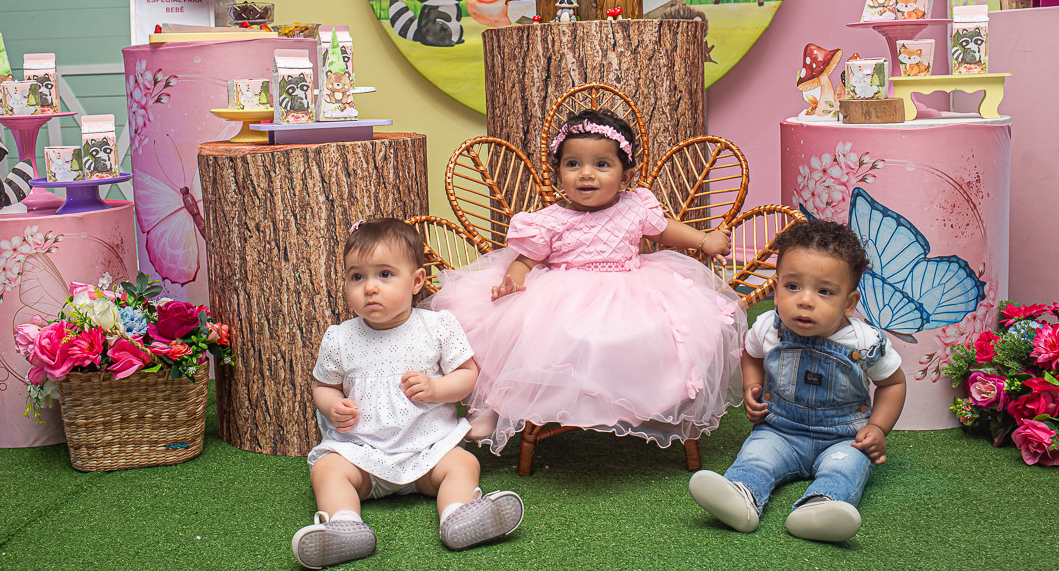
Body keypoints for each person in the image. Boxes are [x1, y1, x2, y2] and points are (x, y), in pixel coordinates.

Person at [425, 109, 747, 453]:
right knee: (510, 330)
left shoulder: (635, 207)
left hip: (632, 289)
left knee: (661, 331)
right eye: (573, 164)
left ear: (626, 176)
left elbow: (665, 230)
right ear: (558, 174)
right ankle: (496, 403)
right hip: (562, 296)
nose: (586, 174)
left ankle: (655, 401)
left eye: (602, 165)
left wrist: (704, 240)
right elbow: (525, 261)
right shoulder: (548, 221)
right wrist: (512, 281)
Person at [292, 219, 524, 569]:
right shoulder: (340, 338)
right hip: (363, 455)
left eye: (385, 274)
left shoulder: (437, 326)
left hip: (428, 450)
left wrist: (436, 388)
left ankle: (458, 515)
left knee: (463, 463)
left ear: (416, 281)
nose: (370, 287)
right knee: (327, 469)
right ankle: (344, 525)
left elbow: (467, 375)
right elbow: (323, 385)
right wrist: (333, 405)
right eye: (357, 277)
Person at [688, 219, 907, 543]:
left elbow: (893, 383)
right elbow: (751, 354)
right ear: (776, 289)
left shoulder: (863, 341)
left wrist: (877, 428)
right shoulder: (769, 327)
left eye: (824, 291)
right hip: (780, 431)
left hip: (843, 437)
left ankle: (821, 506)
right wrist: (752, 386)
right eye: (792, 286)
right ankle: (741, 495)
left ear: (849, 302)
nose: (805, 300)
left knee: (846, 467)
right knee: (756, 457)